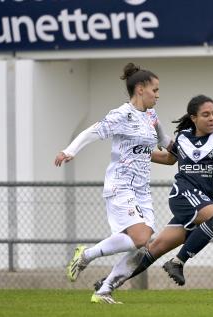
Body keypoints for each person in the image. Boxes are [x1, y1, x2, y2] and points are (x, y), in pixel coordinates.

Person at [90, 94, 213, 300]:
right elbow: (168, 158)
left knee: (154, 249)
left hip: (204, 203)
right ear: (194, 118)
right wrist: (136, 151)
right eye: (206, 115)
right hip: (183, 195)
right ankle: (178, 262)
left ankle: (107, 283)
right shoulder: (183, 138)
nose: (212, 118)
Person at [54, 63, 172, 304]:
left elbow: (167, 145)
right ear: (140, 89)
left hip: (141, 190)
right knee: (140, 238)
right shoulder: (122, 115)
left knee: (142, 244)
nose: (158, 95)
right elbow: (93, 131)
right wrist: (70, 150)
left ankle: (104, 290)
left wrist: (190, 148)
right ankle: (85, 255)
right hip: (121, 185)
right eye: (155, 90)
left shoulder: (151, 116)